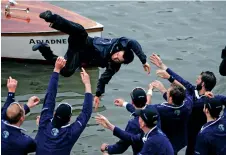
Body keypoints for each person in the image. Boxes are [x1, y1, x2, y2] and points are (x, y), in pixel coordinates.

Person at [33, 10, 151, 110]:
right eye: (118, 55)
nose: (115, 58)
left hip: (78, 55)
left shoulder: (113, 66)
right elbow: (133, 43)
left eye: (118, 60)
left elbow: (104, 80)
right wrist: (144, 60)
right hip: (84, 42)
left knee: (66, 71)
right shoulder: (120, 42)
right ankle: (51, 18)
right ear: (121, 49)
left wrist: (98, 95)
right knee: (80, 31)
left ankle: (44, 49)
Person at [150, 53, 226, 155]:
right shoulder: (194, 91)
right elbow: (182, 81)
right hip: (185, 133)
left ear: (202, 84)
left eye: (198, 79)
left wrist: (164, 89)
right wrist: (162, 65)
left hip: (197, 135)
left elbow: (183, 101)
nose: (196, 80)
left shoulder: (206, 101)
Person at [35, 57, 93, 155]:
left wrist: (56, 69)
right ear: (70, 119)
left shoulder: (44, 122)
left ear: (54, 114)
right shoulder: (70, 133)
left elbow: (50, 96)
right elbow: (86, 112)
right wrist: (87, 84)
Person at [125, 81, 193, 155]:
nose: (166, 92)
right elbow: (187, 90)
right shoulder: (187, 105)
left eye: (167, 92)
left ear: (170, 98)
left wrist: (150, 90)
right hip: (181, 141)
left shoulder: (161, 109)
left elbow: (145, 109)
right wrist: (166, 84)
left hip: (166, 141)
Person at [96, 105, 174, 155]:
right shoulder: (151, 131)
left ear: (143, 124)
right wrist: (109, 125)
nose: (136, 119)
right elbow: (130, 138)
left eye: (139, 117)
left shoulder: (152, 141)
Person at [100, 87, 148, 155]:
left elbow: (122, 147)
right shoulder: (155, 111)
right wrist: (124, 104)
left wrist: (107, 148)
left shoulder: (133, 124)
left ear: (132, 102)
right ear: (146, 100)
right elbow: (140, 111)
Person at [1, 76, 40, 155]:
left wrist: (28, 106)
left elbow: (5, 113)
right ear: (22, 118)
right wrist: (41, 127)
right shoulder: (25, 142)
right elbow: (39, 145)